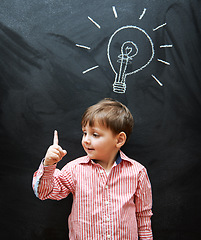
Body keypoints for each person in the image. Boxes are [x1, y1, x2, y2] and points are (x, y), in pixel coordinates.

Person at [32, 98, 153, 240]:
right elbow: (44, 193)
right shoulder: (74, 169)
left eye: (95, 134)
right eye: (84, 133)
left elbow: (143, 216)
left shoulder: (137, 172)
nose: (86, 140)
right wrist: (48, 165)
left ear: (119, 140)